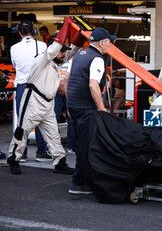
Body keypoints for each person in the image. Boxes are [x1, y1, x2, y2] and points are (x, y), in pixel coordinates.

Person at [7, 16, 80, 175]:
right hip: (33, 100)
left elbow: (70, 52)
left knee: (53, 135)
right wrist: (66, 25)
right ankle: (13, 159)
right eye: (62, 52)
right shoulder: (43, 57)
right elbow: (55, 49)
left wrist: (79, 37)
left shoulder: (55, 61)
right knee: (22, 131)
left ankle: (60, 162)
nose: (64, 56)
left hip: (47, 103)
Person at [67, 27, 117, 195]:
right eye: (109, 43)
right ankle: (79, 183)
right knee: (87, 146)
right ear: (102, 43)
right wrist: (102, 109)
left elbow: (67, 80)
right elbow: (92, 84)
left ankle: (80, 180)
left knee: (79, 145)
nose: (110, 46)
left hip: (74, 106)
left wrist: (69, 103)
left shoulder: (79, 55)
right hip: (85, 108)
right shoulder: (97, 59)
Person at [10, 20, 52, 163]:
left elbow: (15, 65)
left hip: (22, 86)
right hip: (39, 87)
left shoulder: (14, 48)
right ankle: (41, 152)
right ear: (34, 32)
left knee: (21, 122)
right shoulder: (42, 45)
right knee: (40, 119)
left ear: (20, 33)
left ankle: (21, 154)